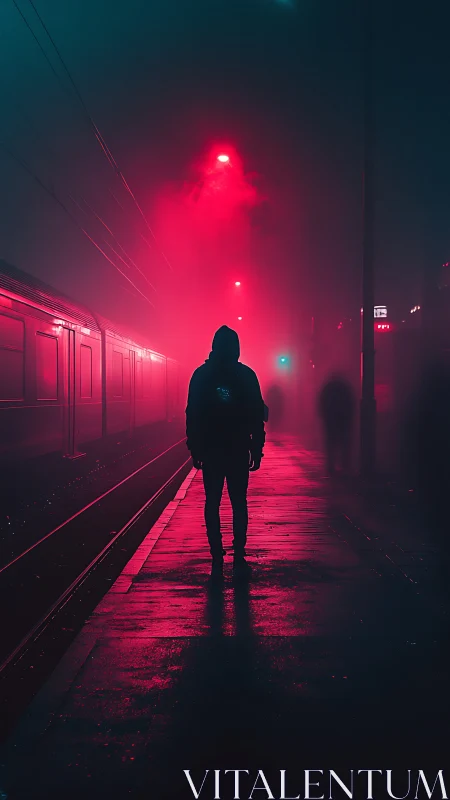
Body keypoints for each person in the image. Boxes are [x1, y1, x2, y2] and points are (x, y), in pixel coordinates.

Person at [186, 325, 265, 576]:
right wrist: (257, 447)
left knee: (213, 501)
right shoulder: (246, 375)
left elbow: (193, 413)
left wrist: (194, 446)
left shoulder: (201, 375)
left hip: (211, 448)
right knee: (238, 502)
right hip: (238, 447)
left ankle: (216, 552)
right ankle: (239, 552)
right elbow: (256, 415)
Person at [318, 373, 355, 476]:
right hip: (342, 419)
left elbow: (322, 402)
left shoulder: (328, 388)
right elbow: (350, 403)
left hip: (331, 419)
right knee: (344, 442)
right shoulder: (345, 389)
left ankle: (331, 464)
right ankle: (345, 464)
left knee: (331, 442)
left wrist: (324, 415)